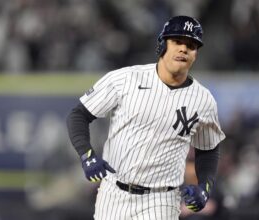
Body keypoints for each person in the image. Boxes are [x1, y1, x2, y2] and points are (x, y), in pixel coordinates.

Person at [66, 15, 225, 220]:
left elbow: (209, 148)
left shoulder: (203, 100)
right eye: (177, 41)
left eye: (192, 45)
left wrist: (205, 186)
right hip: (113, 193)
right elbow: (78, 115)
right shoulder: (125, 79)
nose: (184, 49)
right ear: (162, 45)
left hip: (161, 199)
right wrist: (86, 154)